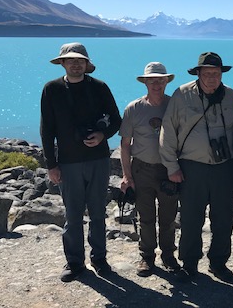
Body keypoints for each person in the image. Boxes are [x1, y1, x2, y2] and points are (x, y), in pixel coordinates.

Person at [40, 42, 121, 282]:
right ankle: (75, 262)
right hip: (68, 162)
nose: (76, 64)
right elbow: (47, 130)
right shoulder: (52, 89)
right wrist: (51, 164)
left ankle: (99, 259)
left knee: (98, 212)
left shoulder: (99, 87)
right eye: (71, 60)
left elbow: (116, 120)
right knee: (73, 215)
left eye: (80, 60)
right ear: (63, 63)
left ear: (87, 64)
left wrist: (102, 135)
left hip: (98, 160)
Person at [159, 52, 233, 282]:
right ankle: (190, 262)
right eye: (207, 73)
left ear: (221, 74)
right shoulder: (182, 94)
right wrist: (172, 167)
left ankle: (218, 262)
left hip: (224, 167)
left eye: (216, 73)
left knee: (224, 218)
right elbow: (168, 130)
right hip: (191, 167)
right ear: (198, 74)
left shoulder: (230, 96)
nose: (212, 78)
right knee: (191, 218)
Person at [119, 62, 180, 277]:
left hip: (168, 169)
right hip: (141, 169)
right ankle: (146, 256)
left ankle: (168, 255)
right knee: (145, 216)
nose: (156, 84)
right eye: (152, 80)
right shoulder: (134, 108)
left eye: (160, 80)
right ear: (145, 82)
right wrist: (127, 176)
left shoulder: (174, 105)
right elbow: (125, 145)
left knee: (168, 216)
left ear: (166, 82)